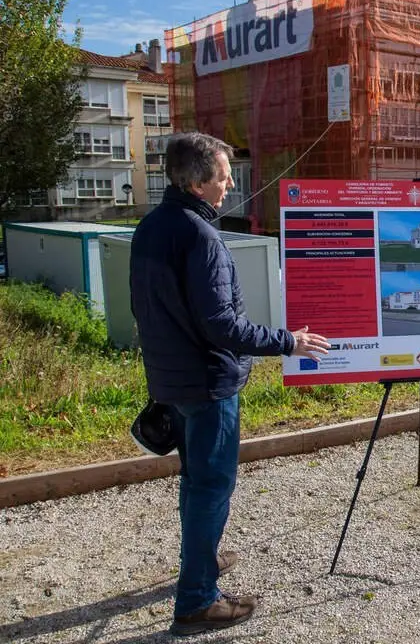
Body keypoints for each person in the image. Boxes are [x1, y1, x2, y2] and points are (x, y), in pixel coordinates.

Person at [130, 132, 330, 637]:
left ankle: (204, 563)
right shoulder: (202, 238)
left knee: (195, 481)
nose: (228, 187)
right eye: (222, 177)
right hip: (208, 384)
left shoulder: (151, 227)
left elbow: (148, 309)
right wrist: (289, 341)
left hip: (171, 380)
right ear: (197, 182)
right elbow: (223, 325)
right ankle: (197, 600)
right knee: (212, 487)